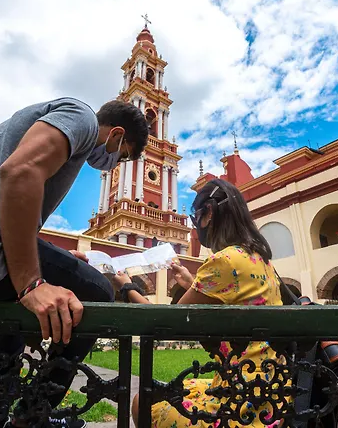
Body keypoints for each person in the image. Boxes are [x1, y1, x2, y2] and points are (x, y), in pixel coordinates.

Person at [0, 97, 149, 428]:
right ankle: (32, 417)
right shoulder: (81, 117)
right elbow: (19, 171)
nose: (114, 165)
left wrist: (59, 259)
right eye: (122, 156)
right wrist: (32, 283)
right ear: (115, 134)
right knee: (98, 291)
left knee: (12, 329)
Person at [113, 179, 283, 428]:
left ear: (209, 213)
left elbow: (165, 323)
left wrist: (127, 287)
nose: (196, 225)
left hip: (241, 405)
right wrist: (192, 282)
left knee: (142, 402)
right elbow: (231, 293)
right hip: (272, 391)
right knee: (182, 387)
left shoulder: (224, 260)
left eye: (196, 218)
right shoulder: (262, 260)